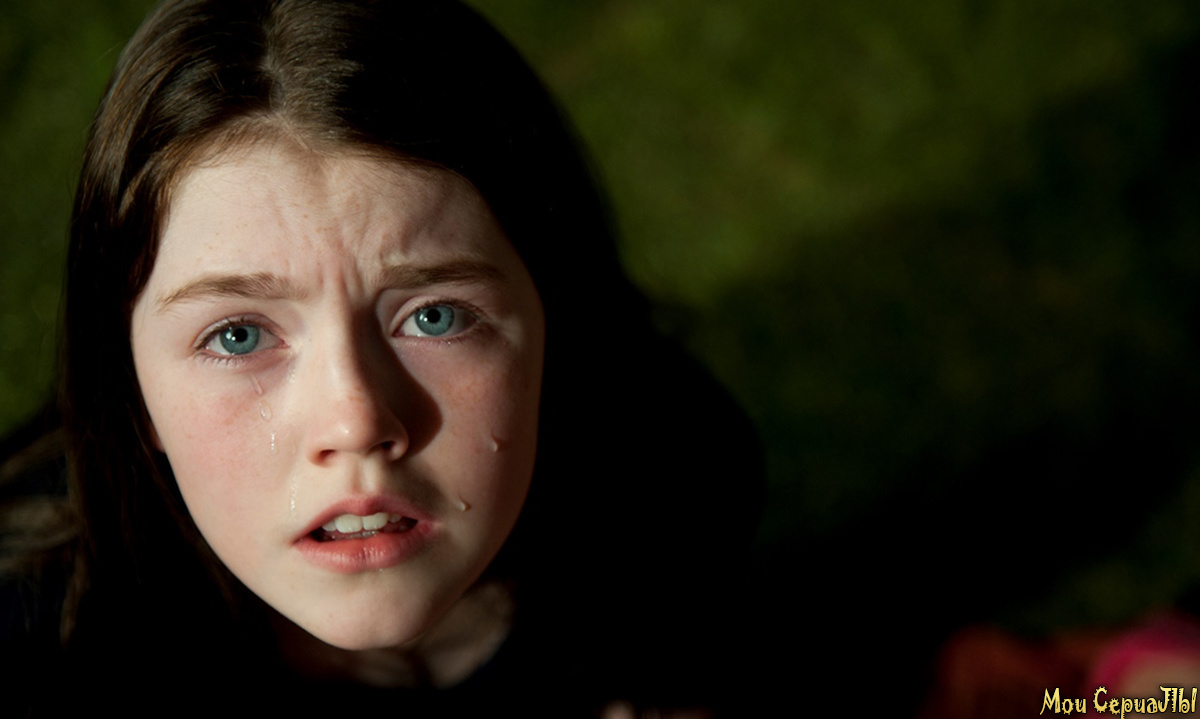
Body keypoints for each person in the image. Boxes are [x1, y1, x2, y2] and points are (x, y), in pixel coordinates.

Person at [0, 0, 763, 715]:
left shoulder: (678, 486)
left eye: (434, 316)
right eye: (238, 335)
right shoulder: (36, 632)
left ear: (553, 321)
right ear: (129, 389)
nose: (356, 419)